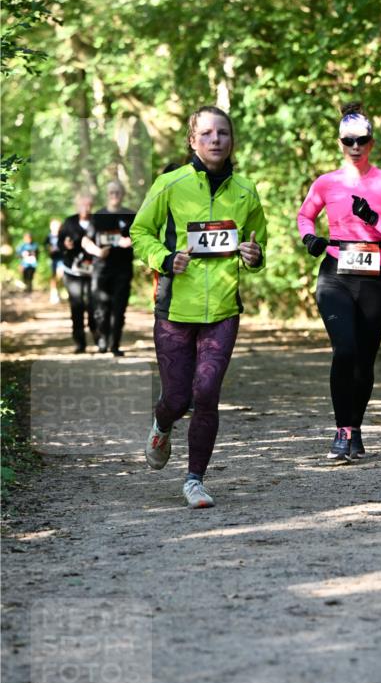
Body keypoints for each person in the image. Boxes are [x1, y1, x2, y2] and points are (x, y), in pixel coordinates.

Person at [130, 105, 267, 508]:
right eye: (206, 133)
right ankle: (161, 423)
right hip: (174, 308)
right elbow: (140, 232)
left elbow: (260, 245)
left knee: (206, 392)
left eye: (222, 133)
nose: (215, 140)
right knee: (176, 397)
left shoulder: (245, 191)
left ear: (231, 140)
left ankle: (194, 479)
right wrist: (166, 258)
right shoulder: (170, 184)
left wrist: (254, 255)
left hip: (223, 310)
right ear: (192, 140)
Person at [297, 101, 381, 463]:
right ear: (340, 143)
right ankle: (342, 429)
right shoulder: (326, 182)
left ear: (372, 142)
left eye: (362, 140)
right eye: (349, 141)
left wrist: (373, 217)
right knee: (344, 350)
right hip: (336, 274)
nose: (355, 147)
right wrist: (310, 239)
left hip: (375, 276)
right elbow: (305, 216)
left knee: (364, 359)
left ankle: (356, 428)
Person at [88, 180, 134, 356]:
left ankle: (115, 344)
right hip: (101, 269)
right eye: (111, 192)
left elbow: (143, 236)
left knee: (119, 308)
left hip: (123, 269)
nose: (114, 195)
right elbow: (86, 240)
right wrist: (98, 252)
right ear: (106, 195)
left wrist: (131, 241)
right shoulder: (98, 215)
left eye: (117, 192)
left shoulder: (131, 215)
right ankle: (102, 340)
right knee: (101, 307)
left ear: (123, 194)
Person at [58, 193, 96, 353]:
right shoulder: (69, 222)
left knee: (94, 306)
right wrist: (65, 245)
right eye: (82, 205)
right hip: (72, 272)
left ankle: (99, 337)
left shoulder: (97, 222)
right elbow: (59, 242)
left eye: (88, 205)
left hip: (93, 271)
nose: (85, 208)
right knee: (77, 305)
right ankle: (80, 342)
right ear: (77, 206)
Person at [44, 218, 64, 303]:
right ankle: (54, 294)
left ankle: (58, 291)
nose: (55, 227)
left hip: (62, 258)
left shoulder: (62, 235)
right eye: (54, 226)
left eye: (57, 226)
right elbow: (45, 246)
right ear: (51, 226)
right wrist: (49, 249)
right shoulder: (49, 236)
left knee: (61, 274)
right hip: (53, 259)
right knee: (54, 276)